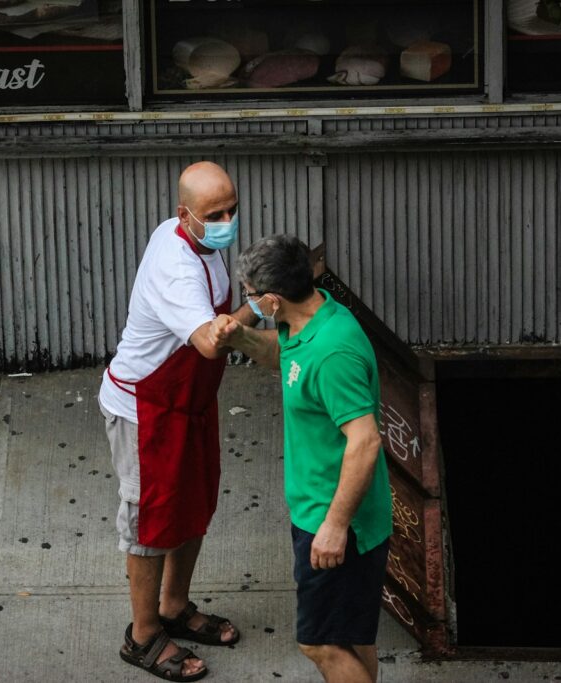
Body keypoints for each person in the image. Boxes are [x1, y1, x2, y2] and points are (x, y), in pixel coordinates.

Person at [98, 161, 257, 681]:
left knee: (193, 503)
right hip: (146, 409)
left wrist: (258, 300)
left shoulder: (199, 241)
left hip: (188, 403)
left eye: (233, 209)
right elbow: (211, 339)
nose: (227, 221)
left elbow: (218, 329)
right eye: (216, 214)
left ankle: (174, 606)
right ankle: (143, 636)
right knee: (150, 522)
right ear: (182, 215)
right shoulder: (177, 266)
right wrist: (262, 309)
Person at [209, 234, 393, 683]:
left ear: (272, 299)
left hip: (338, 523)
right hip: (324, 511)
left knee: (320, 642)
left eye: (251, 298)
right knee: (352, 639)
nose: (249, 304)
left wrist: (333, 527)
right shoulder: (308, 320)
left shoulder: (333, 352)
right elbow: (283, 356)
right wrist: (242, 337)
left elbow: (366, 441)